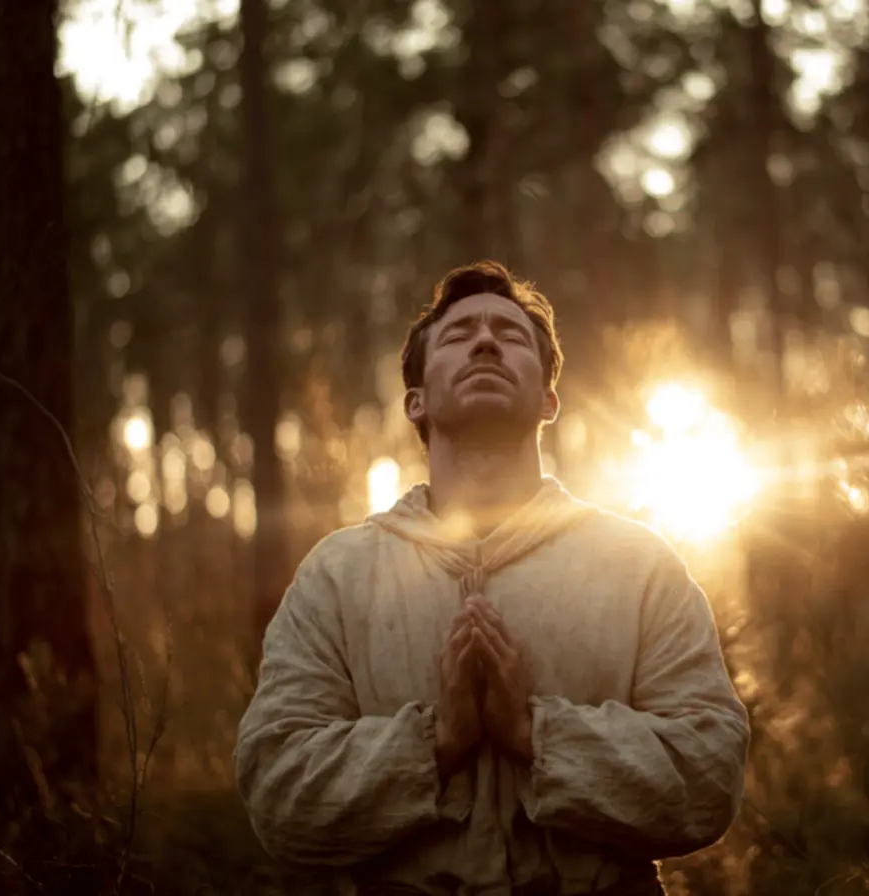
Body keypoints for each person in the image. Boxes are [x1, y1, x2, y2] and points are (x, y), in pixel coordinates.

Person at [234, 261, 750, 895]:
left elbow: (709, 774)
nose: (484, 341)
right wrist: (434, 742)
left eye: (509, 335)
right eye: (457, 336)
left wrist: (536, 733)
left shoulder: (638, 565)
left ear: (548, 400)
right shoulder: (338, 575)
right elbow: (277, 787)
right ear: (415, 401)